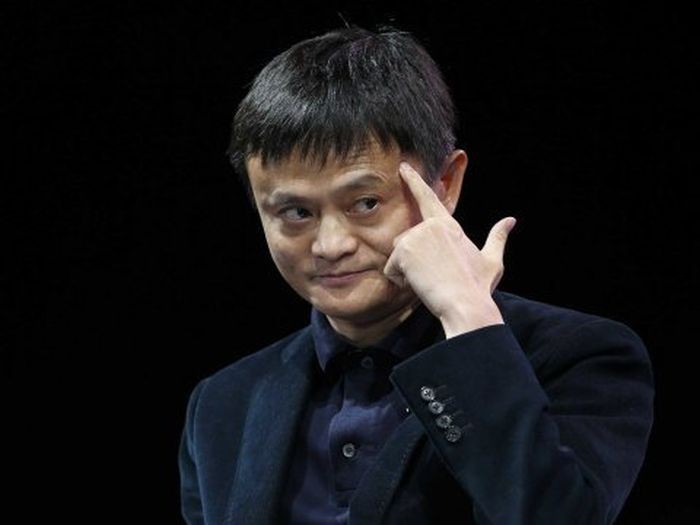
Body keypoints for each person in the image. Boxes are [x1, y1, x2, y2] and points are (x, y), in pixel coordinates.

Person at [178, 26, 654, 524]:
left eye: (365, 203)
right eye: (296, 213)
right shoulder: (222, 404)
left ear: (445, 183)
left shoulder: (579, 356)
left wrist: (468, 320)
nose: (330, 245)